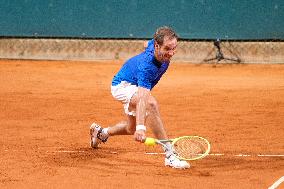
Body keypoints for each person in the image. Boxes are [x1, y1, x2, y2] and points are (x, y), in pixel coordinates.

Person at [90, 26, 190, 169]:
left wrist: (136, 128)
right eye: (167, 49)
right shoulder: (147, 67)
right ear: (157, 46)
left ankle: (101, 133)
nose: (172, 53)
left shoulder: (154, 45)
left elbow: (146, 44)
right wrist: (141, 127)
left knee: (130, 128)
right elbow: (143, 98)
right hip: (122, 85)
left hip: (134, 84)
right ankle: (170, 155)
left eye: (174, 48)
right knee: (151, 104)